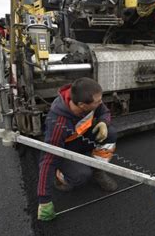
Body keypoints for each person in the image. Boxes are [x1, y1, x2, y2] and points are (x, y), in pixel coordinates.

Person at [37, 78, 118, 221]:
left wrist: (104, 122)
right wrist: (44, 199)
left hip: (79, 140)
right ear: (82, 105)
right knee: (81, 175)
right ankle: (60, 177)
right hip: (63, 151)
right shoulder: (58, 122)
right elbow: (48, 159)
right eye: (97, 101)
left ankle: (98, 170)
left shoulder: (87, 99)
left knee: (111, 133)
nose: (101, 102)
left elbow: (103, 111)